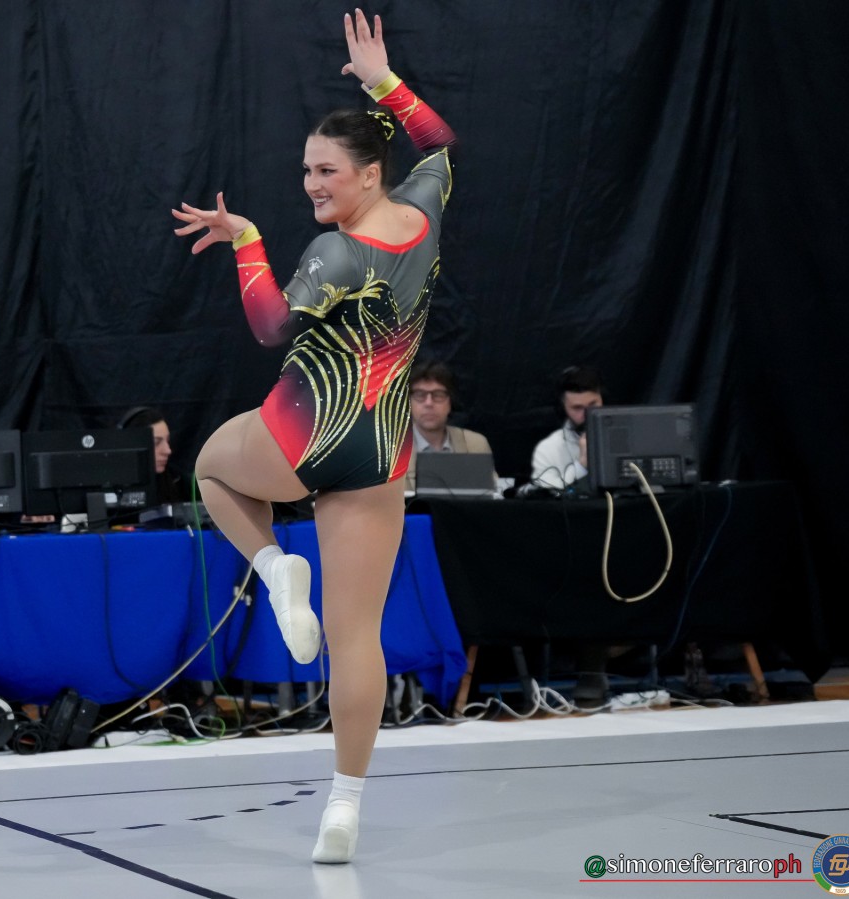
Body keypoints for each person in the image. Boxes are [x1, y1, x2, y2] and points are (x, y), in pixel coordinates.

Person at [171, 10, 455, 864]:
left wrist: (248, 239)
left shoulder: (337, 254)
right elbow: (438, 142)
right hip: (382, 452)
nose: (311, 184)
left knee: (210, 469)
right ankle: (345, 805)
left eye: (326, 170)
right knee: (355, 634)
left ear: (369, 173)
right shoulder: (425, 207)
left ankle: (272, 569)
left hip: (303, 434)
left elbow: (269, 326)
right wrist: (383, 80)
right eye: (305, 170)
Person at [400, 359, 494, 494]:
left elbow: (492, 497)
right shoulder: (389, 450)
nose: (429, 403)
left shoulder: (475, 444)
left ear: (451, 402)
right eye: (420, 395)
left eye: (438, 395)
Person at [529, 366, 603, 489]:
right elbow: (542, 494)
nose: (587, 414)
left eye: (593, 404)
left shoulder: (627, 437)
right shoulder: (548, 449)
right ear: (563, 408)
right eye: (577, 408)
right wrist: (580, 467)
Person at [118, 406, 188, 505]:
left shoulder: (177, 481)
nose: (168, 451)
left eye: (167, 441)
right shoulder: (114, 489)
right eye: (156, 443)